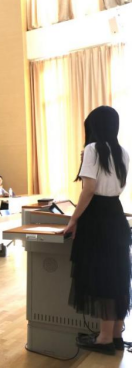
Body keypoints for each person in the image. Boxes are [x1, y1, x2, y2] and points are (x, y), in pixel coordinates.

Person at [60, 106, 130, 355]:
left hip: (97, 217)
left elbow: (89, 189)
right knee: (118, 274)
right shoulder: (123, 152)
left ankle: (104, 339)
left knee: (101, 276)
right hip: (116, 214)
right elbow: (118, 186)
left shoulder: (92, 149)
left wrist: (73, 220)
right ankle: (116, 335)